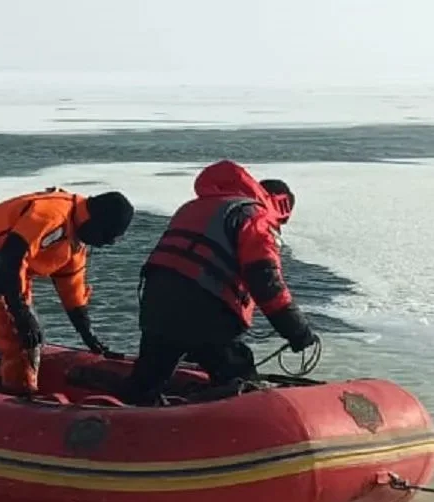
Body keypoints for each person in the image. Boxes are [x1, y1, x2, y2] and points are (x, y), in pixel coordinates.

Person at [121, 159, 318, 405]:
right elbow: (264, 279)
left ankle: (124, 423)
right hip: (205, 308)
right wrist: (297, 331)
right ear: (282, 206)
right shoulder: (255, 215)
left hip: (156, 301)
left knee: (149, 377)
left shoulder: (195, 206)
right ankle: (246, 434)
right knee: (238, 376)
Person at [0, 186, 134, 394]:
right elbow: (11, 258)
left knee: (32, 337)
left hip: (9, 273)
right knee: (19, 339)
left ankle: (13, 379)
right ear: (95, 221)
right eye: (106, 237)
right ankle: (15, 394)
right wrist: (20, 313)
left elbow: (72, 290)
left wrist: (90, 337)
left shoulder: (76, 239)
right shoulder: (50, 216)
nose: (105, 244)